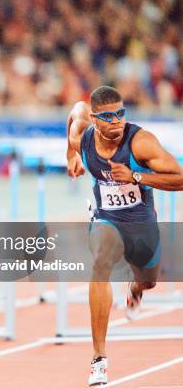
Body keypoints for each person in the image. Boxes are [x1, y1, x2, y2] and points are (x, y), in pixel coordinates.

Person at [66, 86, 182, 386]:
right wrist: (72, 157)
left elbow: (180, 178)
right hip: (106, 216)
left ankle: (136, 289)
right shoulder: (83, 135)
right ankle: (99, 359)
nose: (116, 121)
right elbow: (74, 114)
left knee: (149, 279)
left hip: (141, 221)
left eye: (121, 114)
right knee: (101, 262)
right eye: (108, 116)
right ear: (95, 119)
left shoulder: (140, 142)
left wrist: (136, 176)